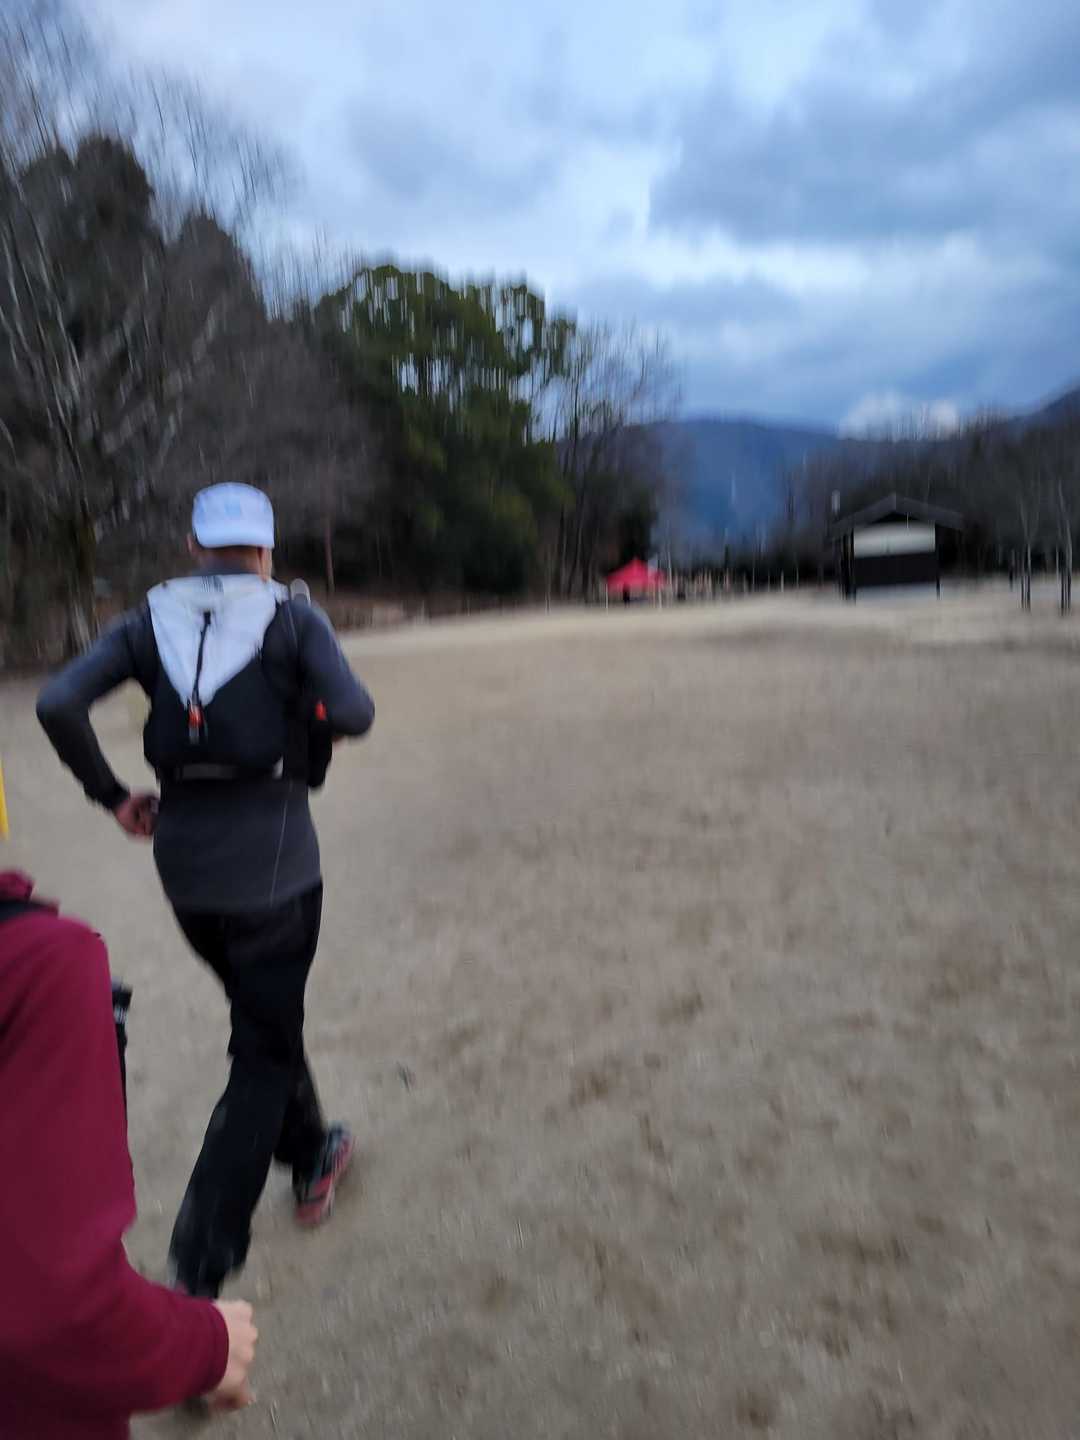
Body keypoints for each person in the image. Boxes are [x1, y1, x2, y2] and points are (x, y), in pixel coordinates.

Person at [37, 483, 375, 1300]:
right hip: (277, 869)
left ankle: (312, 1152)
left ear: (193, 546)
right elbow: (355, 711)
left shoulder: (146, 619)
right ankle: (198, 1266)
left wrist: (114, 796)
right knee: (262, 1051)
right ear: (267, 548)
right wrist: (307, 715)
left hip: (186, 869)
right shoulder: (292, 617)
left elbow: (58, 702)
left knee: (264, 1017)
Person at [0, 869, 258, 1438]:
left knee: (266, 1042)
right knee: (267, 1048)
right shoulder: (41, 962)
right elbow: (56, 1302)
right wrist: (205, 1347)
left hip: (200, 872)